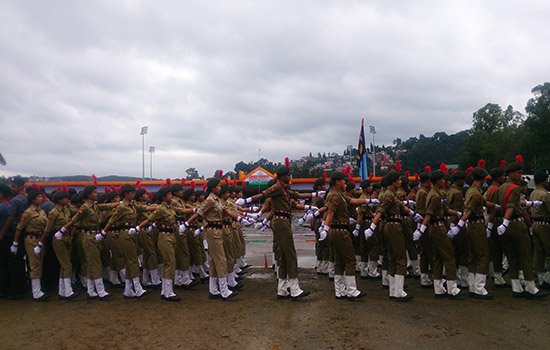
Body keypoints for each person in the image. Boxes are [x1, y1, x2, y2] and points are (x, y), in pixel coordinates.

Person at [234, 167, 322, 300]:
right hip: (281, 222)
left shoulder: (284, 189)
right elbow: (265, 194)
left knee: (284, 255)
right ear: (283, 176)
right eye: (288, 175)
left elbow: (297, 196)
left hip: (283, 221)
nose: (290, 177)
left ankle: (282, 289)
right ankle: (295, 289)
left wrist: (314, 195)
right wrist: (247, 201)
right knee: (290, 254)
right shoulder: (277, 187)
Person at [183, 178, 250, 300]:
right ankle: (224, 290)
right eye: (218, 186)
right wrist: (186, 224)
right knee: (221, 260)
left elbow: (227, 211)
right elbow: (199, 213)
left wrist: (240, 219)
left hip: (218, 231)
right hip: (213, 232)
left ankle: (213, 290)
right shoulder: (209, 200)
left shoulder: (217, 200)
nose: (220, 188)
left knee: (214, 261)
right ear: (213, 188)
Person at [495, 161, 548, 299]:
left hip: (505, 225)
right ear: (511, 173)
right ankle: (531, 288)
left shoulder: (501, 188)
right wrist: (506, 223)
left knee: (512, 257)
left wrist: (530, 203)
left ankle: (516, 288)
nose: (521, 176)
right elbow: (512, 206)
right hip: (516, 224)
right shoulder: (515, 188)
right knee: (525, 255)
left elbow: (503, 205)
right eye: (519, 173)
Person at [365, 172, 421, 301]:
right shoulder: (389, 195)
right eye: (398, 180)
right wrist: (372, 227)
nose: (400, 182)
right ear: (393, 182)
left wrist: (412, 213)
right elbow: (381, 211)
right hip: (394, 226)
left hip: (389, 225)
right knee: (400, 257)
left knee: (391, 257)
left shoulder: (387, 193)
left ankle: (393, 290)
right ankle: (399, 291)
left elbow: (400, 205)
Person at [413, 170, 467, 299]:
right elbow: (429, 214)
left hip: (434, 228)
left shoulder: (433, 193)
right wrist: (420, 230)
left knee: (437, 258)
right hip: (438, 228)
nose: (445, 181)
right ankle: (452, 288)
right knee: (449, 258)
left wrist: (458, 214)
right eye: (443, 179)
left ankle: (438, 288)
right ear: (437, 181)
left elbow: (445, 210)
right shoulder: (435, 196)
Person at [61, 185, 119, 300]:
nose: (96, 194)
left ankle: (91, 290)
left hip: (94, 236)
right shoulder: (85, 208)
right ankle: (101, 291)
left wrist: (121, 203)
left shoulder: (94, 206)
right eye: (94, 192)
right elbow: (74, 220)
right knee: (96, 263)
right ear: (88, 195)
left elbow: (107, 206)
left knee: (91, 263)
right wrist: (62, 230)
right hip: (88, 237)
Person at [321, 172, 369, 300]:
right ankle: (352, 290)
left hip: (336, 230)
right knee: (350, 260)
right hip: (340, 231)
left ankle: (340, 290)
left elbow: (352, 201)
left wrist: (368, 201)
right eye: (343, 181)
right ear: (337, 182)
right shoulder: (335, 196)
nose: (345, 183)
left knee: (340, 261)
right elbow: (330, 212)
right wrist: (325, 228)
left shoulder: (338, 194)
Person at [102, 184, 154, 298]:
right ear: (126, 194)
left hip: (131, 234)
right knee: (132, 260)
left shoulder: (132, 205)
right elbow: (111, 221)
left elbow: (144, 208)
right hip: (124, 234)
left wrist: (157, 208)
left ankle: (128, 290)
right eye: (132, 193)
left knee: (131, 260)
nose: (134, 195)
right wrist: (103, 233)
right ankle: (137, 287)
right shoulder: (122, 207)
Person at [450, 168, 493, 299]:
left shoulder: (470, 191)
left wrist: (496, 206)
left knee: (473, 256)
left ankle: (473, 286)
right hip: (477, 225)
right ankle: (479, 287)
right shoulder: (476, 193)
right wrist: (458, 226)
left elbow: (484, 203)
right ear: (482, 179)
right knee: (483, 255)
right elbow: (468, 212)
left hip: (471, 226)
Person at [138, 187, 182, 301]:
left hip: (171, 235)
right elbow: (149, 219)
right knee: (170, 262)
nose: (171, 196)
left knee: (168, 262)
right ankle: (169, 292)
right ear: (163, 197)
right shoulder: (161, 209)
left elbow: (181, 211)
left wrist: (194, 211)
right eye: (169, 194)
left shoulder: (170, 206)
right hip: (164, 236)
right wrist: (138, 228)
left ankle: (164, 290)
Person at [39, 190, 78, 300]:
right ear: (59, 200)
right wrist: (41, 243)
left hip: (66, 237)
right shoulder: (54, 212)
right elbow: (47, 229)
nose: (67, 200)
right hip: (58, 238)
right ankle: (68, 291)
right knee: (66, 265)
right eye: (65, 198)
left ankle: (62, 290)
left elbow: (76, 213)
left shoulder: (66, 209)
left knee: (64, 265)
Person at [11, 190, 48, 301]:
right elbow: (19, 228)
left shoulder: (41, 211)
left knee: (39, 263)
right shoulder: (28, 213)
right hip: (31, 239)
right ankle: (36, 292)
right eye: (39, 196)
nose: (41, 198)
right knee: (34, 264)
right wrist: (15, 243)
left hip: (40, 239)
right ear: (33, 199)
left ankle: (39, 289)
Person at [0, 176, 28, 299]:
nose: (12, 188)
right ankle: (21, 288)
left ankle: (15, 291)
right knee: (19, 261)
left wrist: (2, 233)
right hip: (23, 233)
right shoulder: (26, 199)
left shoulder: (15, 201)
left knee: (12, 263)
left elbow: (11, 219)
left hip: (13, 234)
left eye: (13, 186)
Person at [485, 167, 509, 288]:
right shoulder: (496, 190)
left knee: (496, 251)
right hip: (497, 220)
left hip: (493, 221)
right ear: (498, 177)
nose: (504, 178)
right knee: (505, 249)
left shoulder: (490, 189)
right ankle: (500, 277)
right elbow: (494, 208)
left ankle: (498, 276)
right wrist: (491, 223)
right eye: (503, 176)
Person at [529, 171, 550, 289]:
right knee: (549, 252)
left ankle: (541, 278)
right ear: (543, 181)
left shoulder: (532, 193)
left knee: (539, 252)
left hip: (535, 224)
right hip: (545, 224)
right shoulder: (545, 194)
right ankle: (547, 279)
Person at [415, 172, 434, 288]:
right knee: (427, 251)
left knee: (425, 253)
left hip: (423, 224)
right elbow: (423, 211)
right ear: (426, 182)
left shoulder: (422, 192)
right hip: (424, 224)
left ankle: (425, 277)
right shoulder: (423, 193)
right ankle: (425, 277)